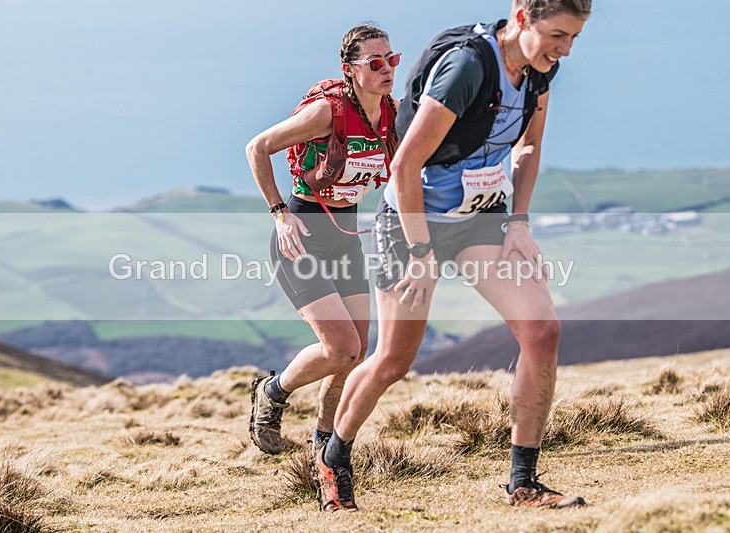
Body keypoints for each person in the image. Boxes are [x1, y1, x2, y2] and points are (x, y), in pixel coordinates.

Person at [314, 0, 592, 511]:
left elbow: (528, 148)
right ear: (522, 16)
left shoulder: (538, 73)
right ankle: (333, 455)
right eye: (557, 35)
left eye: (574, 38)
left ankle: (523, 481)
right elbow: (404, 165)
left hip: (479, 218)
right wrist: (420, 251)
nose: (565, 49)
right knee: (395, 358)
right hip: (411, 222)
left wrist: (519, 222)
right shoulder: (468, 66)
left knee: (542, 330)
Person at [245, 23, 399, 488]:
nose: (387, 68)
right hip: (301, 239)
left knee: (355, 355)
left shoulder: (391, 114)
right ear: (349, 71)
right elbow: (257, 147)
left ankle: (323, 445)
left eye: (392, 59)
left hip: (345, 238)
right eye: (375, 63)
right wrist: (278, 213)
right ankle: (272, 392)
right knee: (342, 348)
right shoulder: (325, 112)